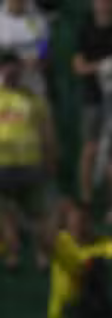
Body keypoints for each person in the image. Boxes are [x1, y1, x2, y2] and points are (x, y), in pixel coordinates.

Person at [72, 0, 112, 206]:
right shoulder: (85, 30)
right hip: (94, 98)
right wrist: (105, 67)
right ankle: (86, 198)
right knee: (90, 148)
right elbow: (79, 67)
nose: (105, 5)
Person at [0, 49, 56, 270]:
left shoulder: (34, 99)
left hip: (30, 164)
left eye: (14, 67)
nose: (10, 72)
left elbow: (47, 132)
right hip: (1, 165)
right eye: (5, 67)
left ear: (21, 71)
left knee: (38, 214)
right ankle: (13, 255)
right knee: (5, 213)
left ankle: (42, 256)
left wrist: (50, 159)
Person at [45, 199, 112, 318]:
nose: (78, 225)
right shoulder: (62, 240)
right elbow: (46, 241)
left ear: (90, 222)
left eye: (83, 220)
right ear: (67, 223)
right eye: (75, 220)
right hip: (63, 315)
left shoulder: (102, 243)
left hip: (94, 311)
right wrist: (55, 215)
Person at [0, 0, 50, 96]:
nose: (17, 2)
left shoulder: (39, 20)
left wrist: (39, 61)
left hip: (32, 84)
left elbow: (45, 51)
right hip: (4, 87)